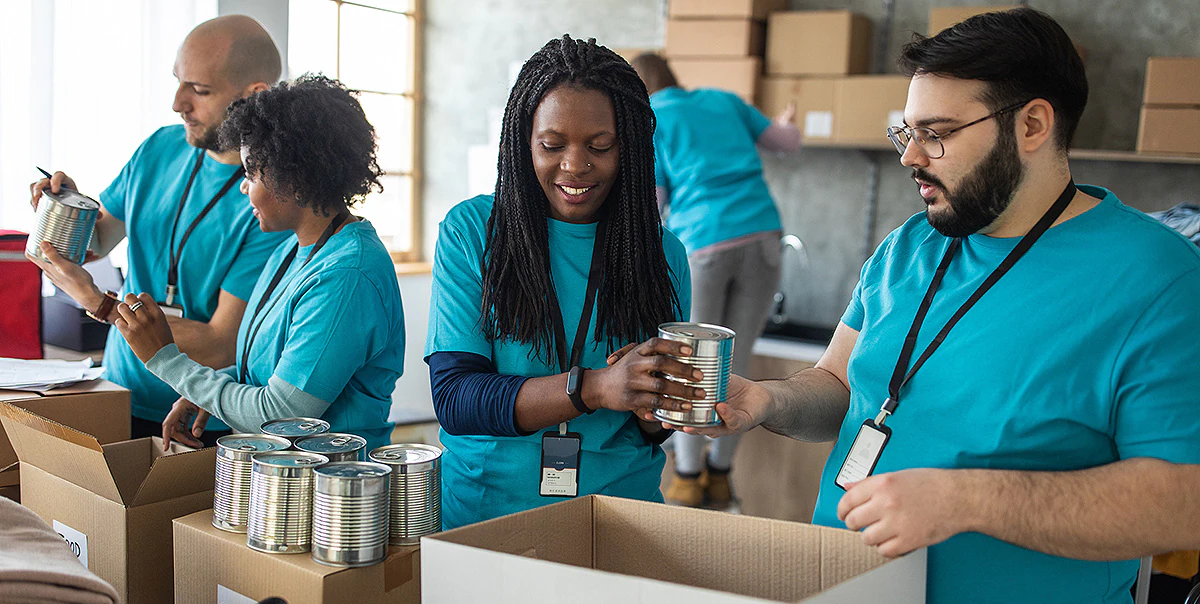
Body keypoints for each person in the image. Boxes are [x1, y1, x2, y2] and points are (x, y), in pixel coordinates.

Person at [662, 8, 1200, 604]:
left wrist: (966, 498)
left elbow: (1183, 501)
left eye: (938, 134)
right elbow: (837, 383)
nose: (911, 157)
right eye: (906, 133)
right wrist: (766, 400)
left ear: (1032, 125)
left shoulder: (1154, 276)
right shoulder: (907, 246)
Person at [425, 36, 699, 530]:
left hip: (621, 515)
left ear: (630, 149)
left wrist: (657, 405)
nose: (574, 166)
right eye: (552, 146)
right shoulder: (471, 231)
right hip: (486, 513)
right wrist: (592, 388)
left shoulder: (663, 252)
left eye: (600, 146)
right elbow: (456, 399)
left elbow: (651, 429)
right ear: (521, 141)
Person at [27, 15, 288, 445]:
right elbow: (95, 243)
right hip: (115, 394)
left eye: (199, 90)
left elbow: (222, 343)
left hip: (198, 419)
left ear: (253, 95)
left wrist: (103, 305)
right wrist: (64, 212)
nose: (177, 102)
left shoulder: (270, 201)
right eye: (178, 81)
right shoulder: (159, 148)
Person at [112, 74, 405, 453]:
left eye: (251, 172)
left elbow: (283, 414)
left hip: (337, 494)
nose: (243, 186)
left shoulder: (346, 275)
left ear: (294, 178)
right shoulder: (293, 250)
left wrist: (166, 361)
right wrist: (207, 389)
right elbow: (269, 369)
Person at [631, 53, 801, 509]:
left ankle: (687, 477)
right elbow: (786, 143)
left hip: (702, 244)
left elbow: (656, 205)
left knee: (687, 362)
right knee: (736, 361)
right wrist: (789, 119)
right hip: (762, 234)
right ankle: (722, 475)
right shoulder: (725, 101)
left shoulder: (651, 122)